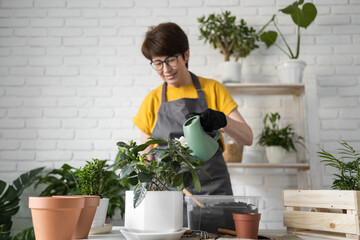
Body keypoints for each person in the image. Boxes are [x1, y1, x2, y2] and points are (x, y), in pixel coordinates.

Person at [133, 22, 253, 197]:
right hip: (171, 196)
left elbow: (247, 138)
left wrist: (223, 121)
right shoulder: (152, 100)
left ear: (186, 55)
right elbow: (147, 158)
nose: (165, 70)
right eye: (158, 63)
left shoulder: (213, 89)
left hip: (215, 192)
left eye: (171, 60)